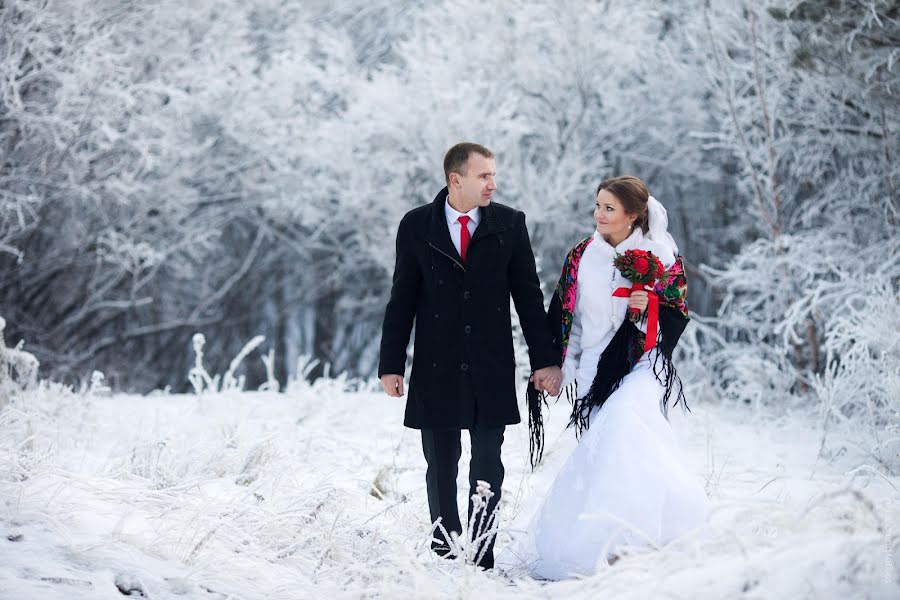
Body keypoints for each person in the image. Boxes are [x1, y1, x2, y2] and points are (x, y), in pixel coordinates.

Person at [496, 175, 709, 580]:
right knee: (606, 454)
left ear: (633, 215)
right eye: (597, 205)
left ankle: (638, 543)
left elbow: (678, 313)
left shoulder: (659, 254)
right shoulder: (581, 256)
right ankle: (607, 544)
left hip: (643, 366)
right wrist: (563, 367)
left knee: (625, 429)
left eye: (609, 208)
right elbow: (569, 320)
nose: (599, 214)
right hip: (595, 369)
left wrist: (647, 307)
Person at [378, 143, 562, 569]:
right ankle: (444, 552)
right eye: (484, 176)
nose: (492, 184)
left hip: (490, 363)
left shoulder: (509, 224)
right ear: (455, 179)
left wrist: (545, 360)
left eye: (493, 175)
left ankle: (480, 555)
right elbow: (402, 297)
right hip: (435, 364)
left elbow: (529, 298)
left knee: (487, 463)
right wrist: (391, 362)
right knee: (440, 464)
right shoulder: (416, 225)